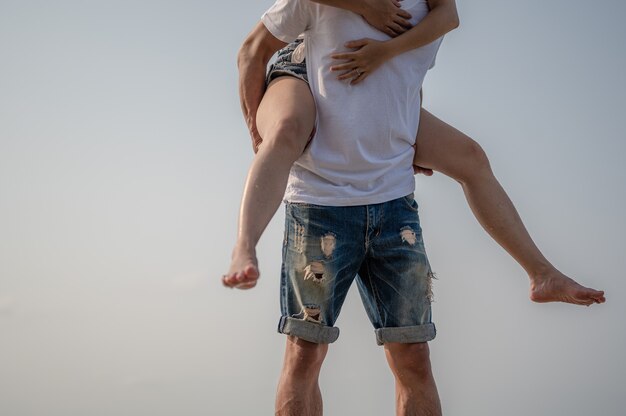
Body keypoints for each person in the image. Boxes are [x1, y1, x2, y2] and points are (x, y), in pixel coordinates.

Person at [223, 0, 605, 308]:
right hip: (304, 63)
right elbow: (250, 52)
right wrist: (258, 137)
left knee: (471, 157)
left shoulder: (426, 15)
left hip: (364, 83)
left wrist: (398, 123)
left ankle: (542, 274)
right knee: (287, 130)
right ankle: (244, 248)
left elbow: (446, 22)